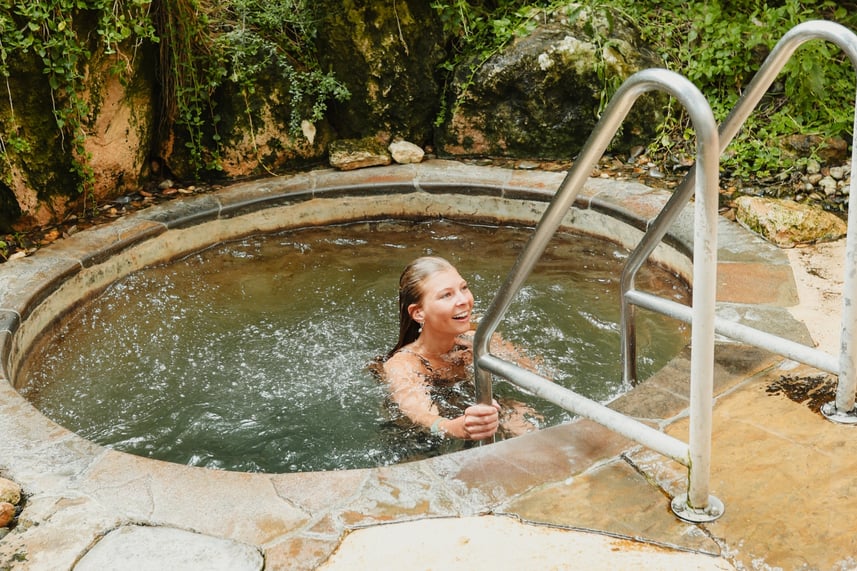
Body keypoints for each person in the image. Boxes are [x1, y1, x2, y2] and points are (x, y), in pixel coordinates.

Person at [380, 256, 538, 441]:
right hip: (416, 438)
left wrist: (499, 352)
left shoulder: (476, 339)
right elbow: (421, 416)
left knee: (521, 414)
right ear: (419, 313)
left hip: (468, 405)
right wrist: (452, 427)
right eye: (446, 295)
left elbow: (536, 373)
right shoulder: (404, 364)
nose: (463, 300)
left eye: (463, 288)